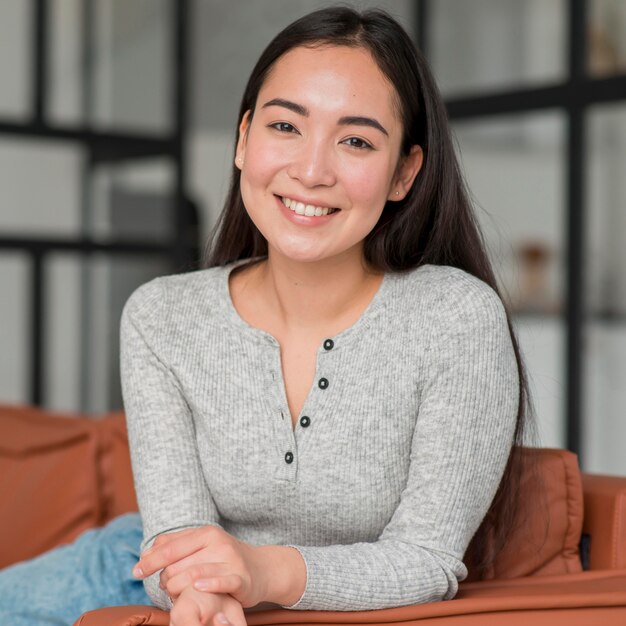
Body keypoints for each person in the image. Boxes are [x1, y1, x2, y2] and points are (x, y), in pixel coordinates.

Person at [0, 7, 531, 626]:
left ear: (404, 173)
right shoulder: (162, 316)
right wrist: (194, 588)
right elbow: (177, 533)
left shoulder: (456, 319)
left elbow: (427, 560)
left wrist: (260, 573)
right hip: (124, 576)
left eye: (355, 140)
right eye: (286, 126)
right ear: (243, 139)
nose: (311, 171)